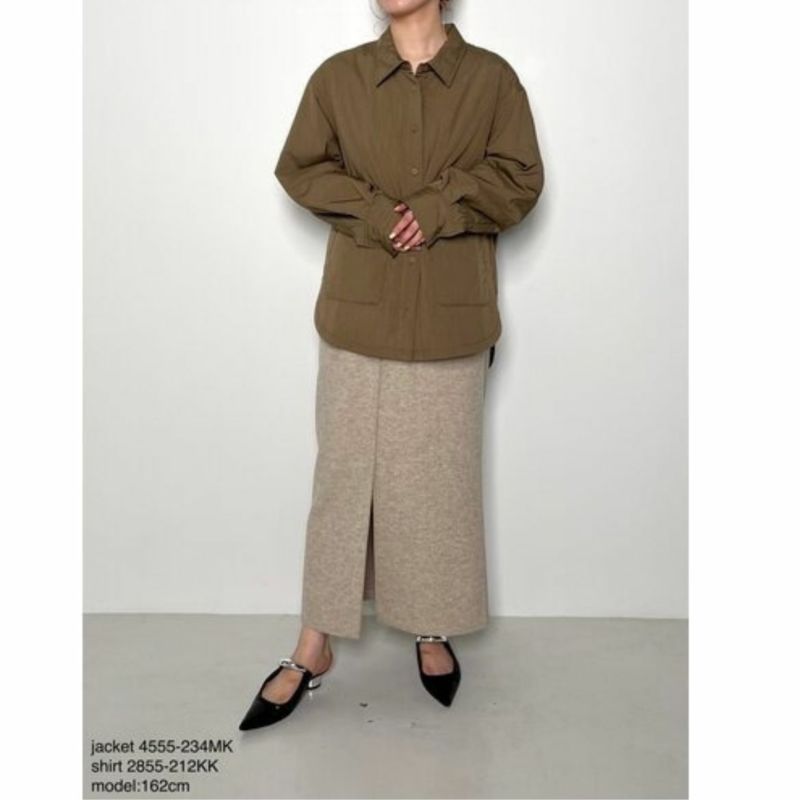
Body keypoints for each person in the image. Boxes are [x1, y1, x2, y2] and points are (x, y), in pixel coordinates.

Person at [239, 0, 544, 731]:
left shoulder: (492, 81)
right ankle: (314, 643)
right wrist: (378, 212)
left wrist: (439, 206)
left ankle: (430, 624)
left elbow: (519, 180)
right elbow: (299, 167)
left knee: (436, 481)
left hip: (449, 316)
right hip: (358, 311)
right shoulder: (338, 78)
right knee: (343, 482)